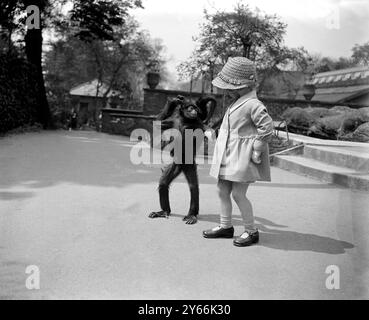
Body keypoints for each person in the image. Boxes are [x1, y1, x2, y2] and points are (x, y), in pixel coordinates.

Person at [203, 57, 274, 247]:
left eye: (229, 86)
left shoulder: (253, 104)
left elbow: (267, 128)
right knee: (222, 190)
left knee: (238, 194)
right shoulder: (238, 101)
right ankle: (226, 226)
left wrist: (257, 148)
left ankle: (251, 231)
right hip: (228, 156)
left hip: (242, 158)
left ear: (241, 86)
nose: (226, 90)